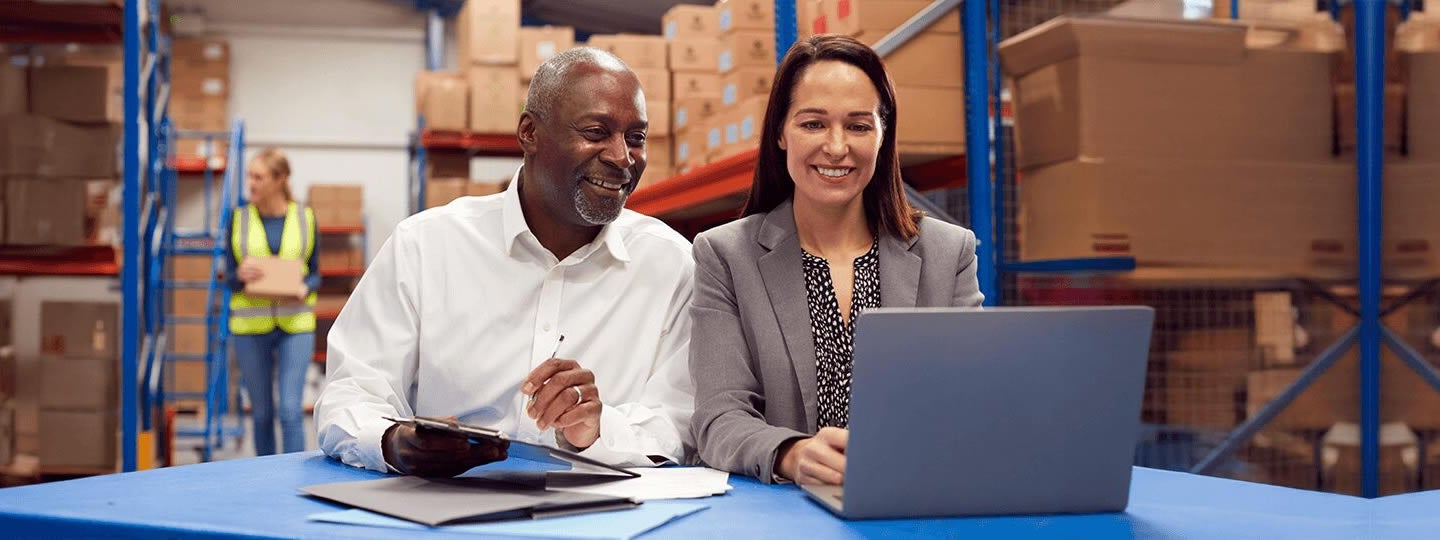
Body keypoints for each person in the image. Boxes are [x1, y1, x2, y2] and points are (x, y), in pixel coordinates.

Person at [314, 48, 694, 478]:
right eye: (596, 132)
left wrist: (598, 429)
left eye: (636, 138)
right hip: (445, 503)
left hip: (606, 508)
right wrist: (394, 441)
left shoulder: (671, 265)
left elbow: (682, 423)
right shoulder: (425, 246)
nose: (621, 157)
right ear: (529, 133)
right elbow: (350, 393)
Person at [688, 35, 985, 485]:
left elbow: (972, 400)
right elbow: (718, 418)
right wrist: (791, 454)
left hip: (914, 497)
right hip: (786, 509)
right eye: (813, 124)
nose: (836, 146)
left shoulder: (949, 252)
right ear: (780, 133)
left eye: (859, 126)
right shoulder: (726, 256)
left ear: (883, 136)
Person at [227, 147, 321, 456]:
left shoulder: (305, 217)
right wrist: (240, 275)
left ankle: (294, 477)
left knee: (290, 411)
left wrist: (305, 287)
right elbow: (228, 276)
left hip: (295, 324)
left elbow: (316, 273)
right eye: (249, 177)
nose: (251, 184)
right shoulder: (239, 219)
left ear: (280, 180)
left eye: (258, 177)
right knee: (262, 414)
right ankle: (266, 476)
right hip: (250, 328)